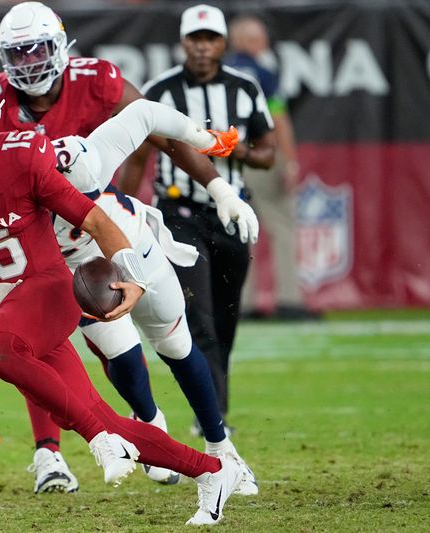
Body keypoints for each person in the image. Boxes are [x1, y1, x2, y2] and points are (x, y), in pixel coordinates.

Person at [0, 58, 243, 526]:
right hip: (5, 300)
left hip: (50, 287)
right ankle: (212, 471)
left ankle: (97, 439)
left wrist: (131, 276)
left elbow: (95, 218)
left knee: (2, 350)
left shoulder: (27, 155)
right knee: (100, 413)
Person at [0, 0, 259, 493]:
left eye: (37, 51)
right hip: (67, 255)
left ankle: (221, 446)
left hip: (121, 232)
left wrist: (220, 184)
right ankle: (151, 426)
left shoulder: (96, 120)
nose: (28, 64)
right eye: (17, 54)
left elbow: (156, 122)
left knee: (176, 340)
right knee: (118, 348)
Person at [119, 4, 275, 434]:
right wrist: (120, 211)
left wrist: (236, 151)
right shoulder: (160, 90)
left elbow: (268, 153)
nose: (202, 48)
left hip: (231, 212)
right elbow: (138, 156)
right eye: (195, 39)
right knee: (200, 317)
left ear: (223, 43)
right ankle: (213, 417)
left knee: (225, 318)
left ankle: (216, 403)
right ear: (183, 42)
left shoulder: (245, 88)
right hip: (179, 215)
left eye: (210, 39)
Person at [226, 15, 319, 321]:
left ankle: (243, 304)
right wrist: (289, 161)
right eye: (260, 38)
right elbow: (277, 119)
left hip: (225, 160)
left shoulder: (217, 72)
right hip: (259, 158)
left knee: (239, 233)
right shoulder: (262, 74)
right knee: (282, 227)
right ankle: (289, 301)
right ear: (248, 41)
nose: (264, 44)